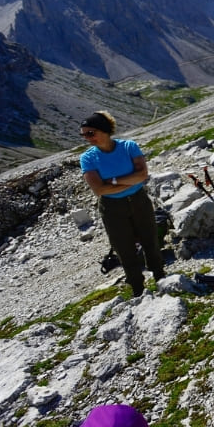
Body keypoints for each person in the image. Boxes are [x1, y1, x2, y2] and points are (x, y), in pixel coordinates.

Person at [79, 111, 165, 297]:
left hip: (138, 200)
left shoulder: (129, 146)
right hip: (112, 208)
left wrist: (114, 182)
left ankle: (161, 278)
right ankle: (137, 288)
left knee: (150, 240)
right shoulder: (87, 158)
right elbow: (100, 190)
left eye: (90, 133)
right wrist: (129, 180)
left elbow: (142, 175)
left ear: (104, 130)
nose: (87, 138)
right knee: (123, 248)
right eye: (83, 134)